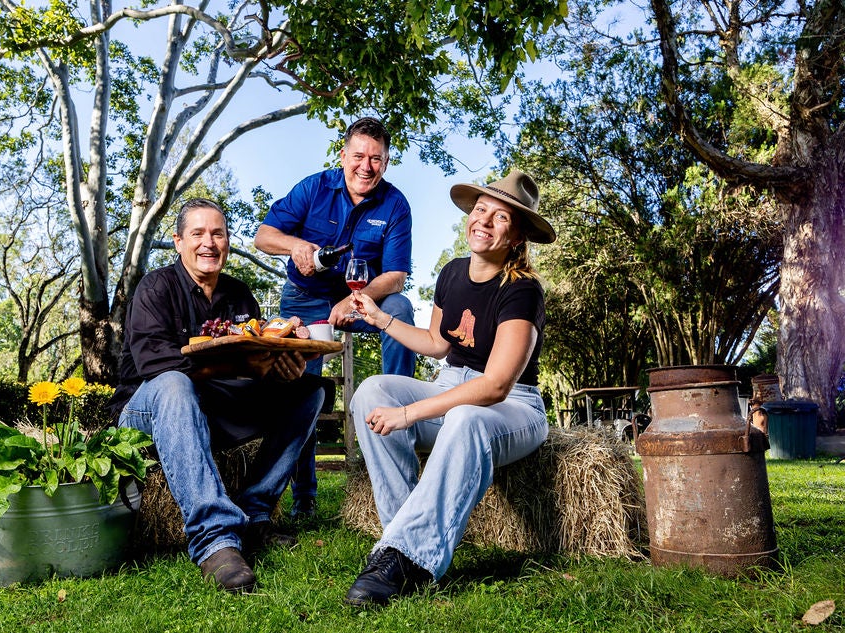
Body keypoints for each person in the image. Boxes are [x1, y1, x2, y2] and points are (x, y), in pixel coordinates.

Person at [342, 170, 556, 607]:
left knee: (465, 417)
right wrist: (381, 319)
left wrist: (408, 415)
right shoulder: (452, 273)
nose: (484, 221)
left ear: (517, 237)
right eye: (481, 210)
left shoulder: (523, 290)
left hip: (513, 409)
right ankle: (398, 545)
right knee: (370, 391)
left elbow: (495, 385)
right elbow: (440, 345)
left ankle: (408, 558)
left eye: (501, 218)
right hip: (452, 387)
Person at [107, 198, 324, 594]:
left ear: (227, 241)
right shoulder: (156, 287)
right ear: (177, 242)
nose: (209, 243)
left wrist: (285, 365)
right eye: (198, 234)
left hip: (214, 409)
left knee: (309, 392)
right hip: (145, 412)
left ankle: (255, 516)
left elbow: (256, 365)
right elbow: (156, 366)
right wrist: (244, 366)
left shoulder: (240, 296)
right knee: (175, 383)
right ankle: (216, 540)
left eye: (218, 234)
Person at [254, 117, 417, 518]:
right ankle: (304, 497)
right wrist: (295, 246)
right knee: (300, 387)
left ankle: (400, 416)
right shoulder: (313, 187)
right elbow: (262, 236)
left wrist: (356, 298)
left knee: (400, 309)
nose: (366, 166)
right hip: (303, 298)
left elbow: (395, 276)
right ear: (343, 155)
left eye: (376, 159)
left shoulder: (396, 205)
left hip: (363, 299)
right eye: (358, 155)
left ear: (387, 162)